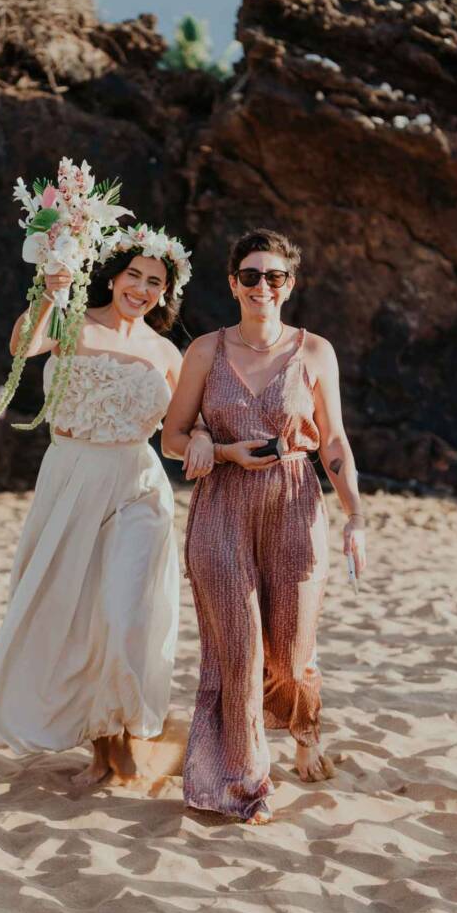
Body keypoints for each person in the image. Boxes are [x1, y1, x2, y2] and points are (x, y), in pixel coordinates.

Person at [0, 226, 212, 785]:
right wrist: (51, 290)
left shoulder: (165, 352)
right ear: (114, 275)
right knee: (73, 609)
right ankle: (97, 737)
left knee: (129, 610)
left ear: (164, 293)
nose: (143, 288)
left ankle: (123, 734)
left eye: (156, 282)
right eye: (135, 275)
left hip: (137, 484)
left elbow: (185, 423)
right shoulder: (70, 321)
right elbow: (20, 346)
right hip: (72, 477)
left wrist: (201, 437)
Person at [162, 228, 367, 824]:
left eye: (273, 277)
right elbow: (172, 436)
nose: (261, 286)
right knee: (239, 649)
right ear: (232, 284)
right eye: (249, 276)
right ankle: (247, 781)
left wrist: (356, 514)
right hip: (222, 506)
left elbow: (333, 442)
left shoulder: (315, 351)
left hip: (295, 501)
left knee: (293, 648)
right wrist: (214, 447)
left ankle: (305, 737)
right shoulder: (205, 350)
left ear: (289, 285)